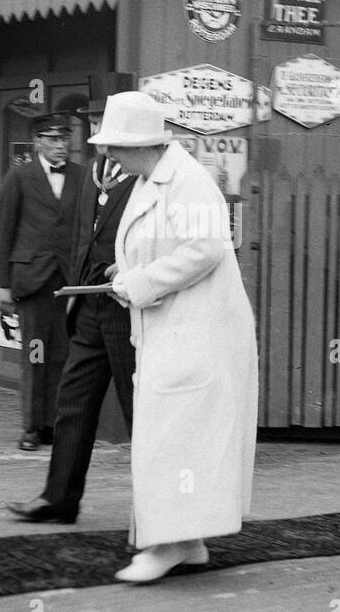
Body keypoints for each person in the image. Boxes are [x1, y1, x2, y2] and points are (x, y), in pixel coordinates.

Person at [96, 91, 258, 583]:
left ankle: (166, 544)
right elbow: (161, 249)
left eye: (114, 146)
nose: (108, 155)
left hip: (197, 334)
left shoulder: (187, 182)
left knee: (174, 440)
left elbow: (205, 249)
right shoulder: (151, 179)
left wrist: (140, 282)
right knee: (175, 439)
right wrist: (127, 276)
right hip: (171, 329)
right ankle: (188, 541)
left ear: (139, 143)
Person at [6, 89, 138, 524]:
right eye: (93, 122)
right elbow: (84, 234)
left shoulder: (142, 174)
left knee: (139, 408)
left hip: (124, 305)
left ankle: (166, 509)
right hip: (87, 305)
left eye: (105, 122)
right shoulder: (96, 170)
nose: (98, 131)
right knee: (73, 402)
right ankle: (58, 497)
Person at [0, 113, 82, 451]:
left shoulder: (81, 176)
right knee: (35, 353)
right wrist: (2, 284)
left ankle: (53, 423)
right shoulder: (19, 177)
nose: (61, 145)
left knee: (63, 353)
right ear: (38, 142)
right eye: (53, 139)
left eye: (65, 139)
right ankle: (31, 426)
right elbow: (3, 232)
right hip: (32, 279)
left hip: (69, 279)